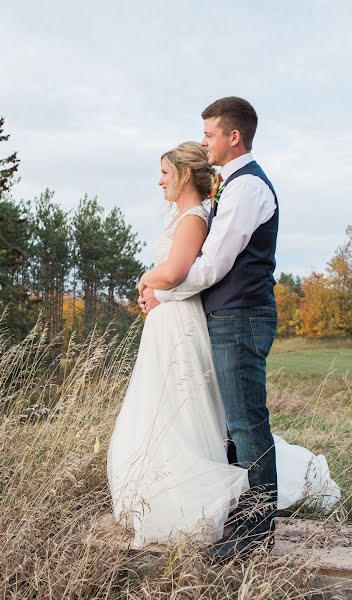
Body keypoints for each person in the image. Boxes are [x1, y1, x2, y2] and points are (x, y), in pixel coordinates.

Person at [139, 97, 279, 560]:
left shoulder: (247, 189)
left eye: (209, 135)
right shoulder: (232, 186)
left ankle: (257, 532)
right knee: (232, 424)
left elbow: (213, 264)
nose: (205, 143)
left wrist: (165, 290)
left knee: (245, 421)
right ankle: (245, 515)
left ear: (232, 136)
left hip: (241, 314)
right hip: (229, 314)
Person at [107, 141, 250, 549]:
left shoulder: (193, 218)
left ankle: (186, 497)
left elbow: (175, 272)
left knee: (178, 404)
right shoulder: (184, 217)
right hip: (165, 321)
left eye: (166, 173)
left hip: (178, 323)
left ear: (185, 175)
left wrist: (146, 280)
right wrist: (155, 288)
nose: (160, 181)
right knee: (160, 401)